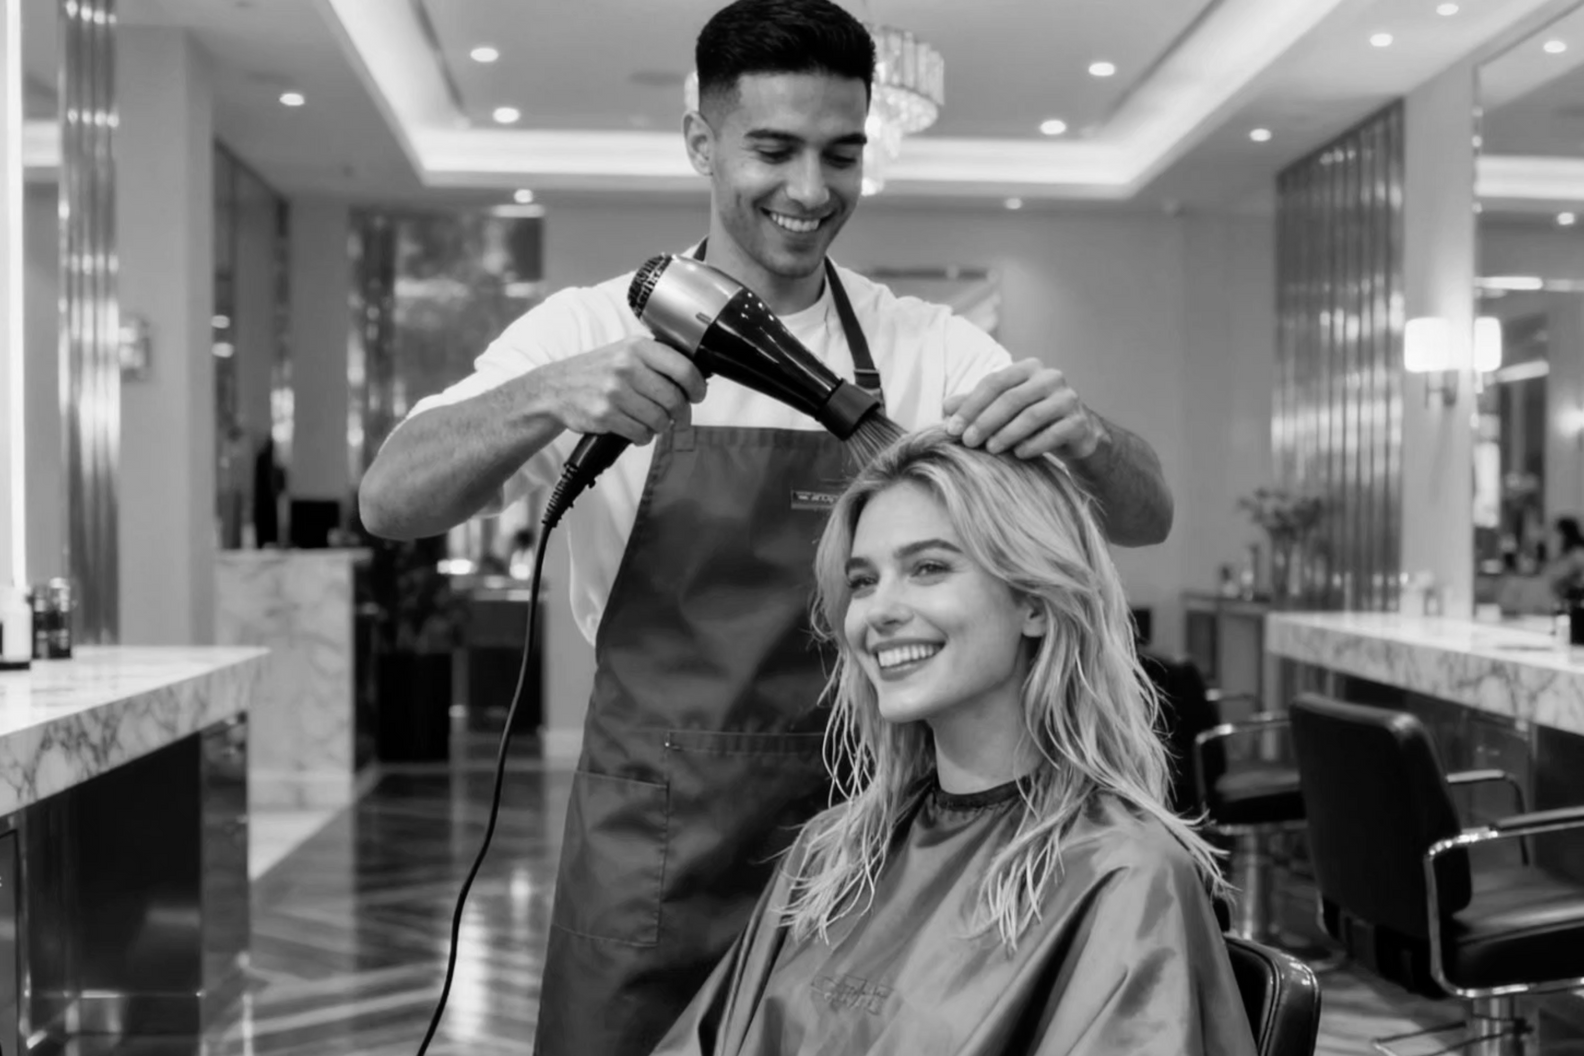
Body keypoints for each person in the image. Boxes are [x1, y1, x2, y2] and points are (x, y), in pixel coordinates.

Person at [354, 1, 1175, 1052]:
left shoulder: (928, 348)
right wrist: (545, 398)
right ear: (700, 141)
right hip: (655, 840)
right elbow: (389, 498)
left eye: (842, 155)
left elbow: (1145, 517)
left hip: (872, 827)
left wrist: (1088, 438)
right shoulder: (587, 331)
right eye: (774, 150)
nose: (811, 191)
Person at [652, 429, 1253, 1055]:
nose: (878, 610)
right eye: (862, 581)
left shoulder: (1124, 876)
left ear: (1036, 603)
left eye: (928, 568)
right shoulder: (831, 855)